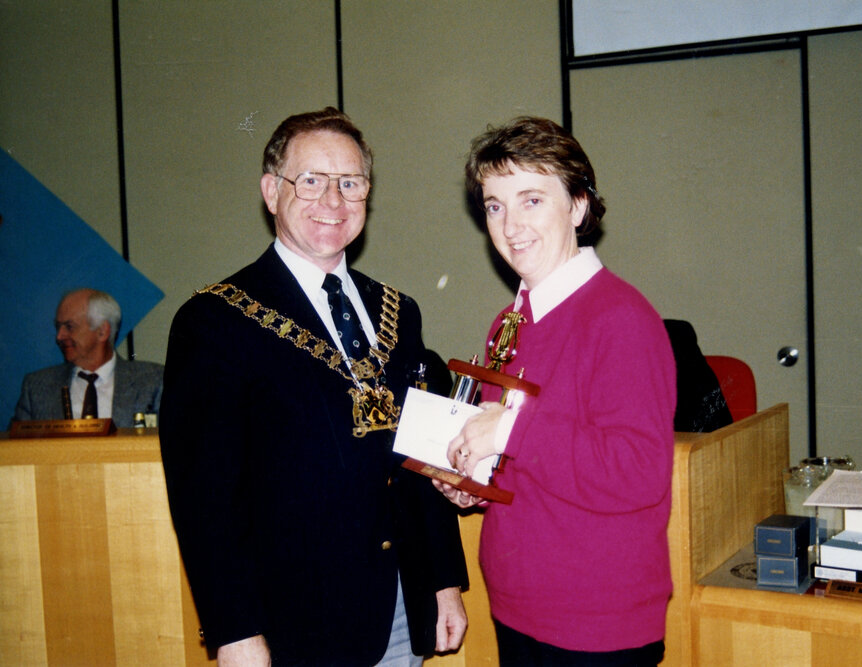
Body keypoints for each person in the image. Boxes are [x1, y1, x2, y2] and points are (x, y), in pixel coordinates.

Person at [159, 106, 468, 666]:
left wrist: (443, 580)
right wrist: (234, 631)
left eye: (350, 183)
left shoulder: (399, 311)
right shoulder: (215, 321)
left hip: (397, 610)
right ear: (271, 192)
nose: (333, 201)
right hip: (287, 625)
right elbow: (205, 501)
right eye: (312, 181)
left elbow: (417, 462)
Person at [438, 117, 677, 665]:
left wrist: (510, 428)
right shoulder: (510, 320)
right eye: (494, 205)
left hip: (594, 621)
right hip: (519, 604)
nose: (510, 224)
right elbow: (530, 458)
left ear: (577, 206)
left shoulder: (620, 317)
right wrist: (474, 477)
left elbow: (637, 472)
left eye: (531, 200)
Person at [12, 288, 163, 426]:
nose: (59, 336)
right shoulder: (37, 387)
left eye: (69, 326)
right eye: (58, 327)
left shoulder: (153, 382)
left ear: (102, 331)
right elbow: (15, 451)